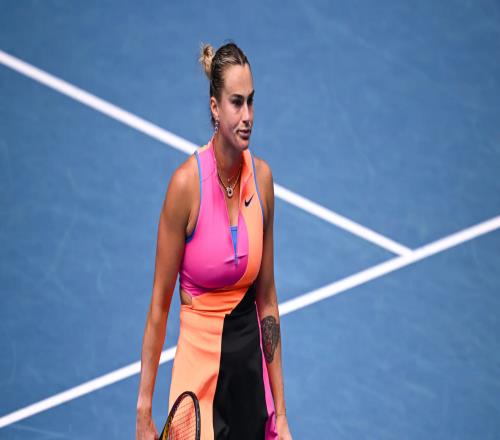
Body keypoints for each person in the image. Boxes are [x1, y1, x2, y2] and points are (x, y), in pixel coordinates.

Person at [136, 41, 292, 440]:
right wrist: (144, 409)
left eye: (251, 102)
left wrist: (281, 413)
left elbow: (267, 301)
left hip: (250, 378)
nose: (247, 116)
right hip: (198, 382)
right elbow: (159, 306)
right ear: (215, 107)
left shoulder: (263, 181)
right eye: (236, 103)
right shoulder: (186, 187)